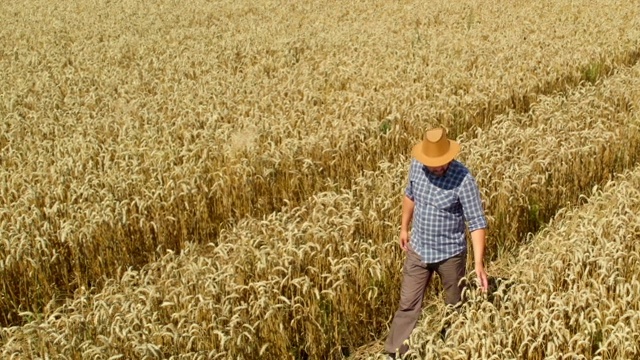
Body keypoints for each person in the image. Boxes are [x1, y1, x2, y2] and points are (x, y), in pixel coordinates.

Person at [384, 127, 488, 357]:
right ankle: (395, 352)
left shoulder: (463, 179)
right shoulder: (416, 168)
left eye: (445, 161)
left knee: (455, 304)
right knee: (408, 304)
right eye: (436, 163)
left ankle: (453, 348)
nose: (441, 167)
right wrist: (404, 228)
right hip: (418, 248)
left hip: (450, 253)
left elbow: (477, 221)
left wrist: (478, 263)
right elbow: (409, 195)